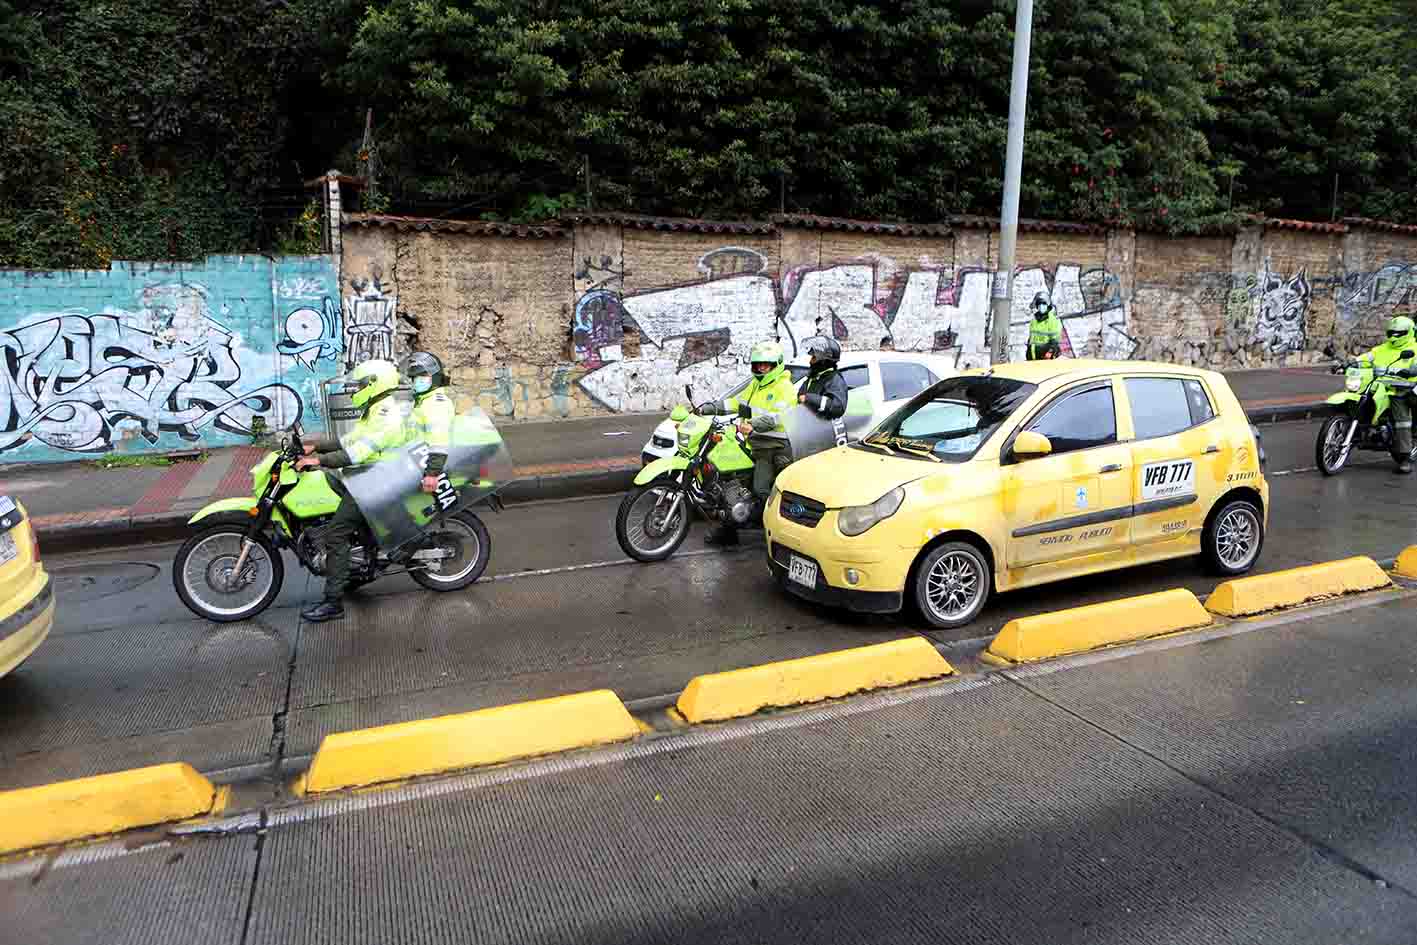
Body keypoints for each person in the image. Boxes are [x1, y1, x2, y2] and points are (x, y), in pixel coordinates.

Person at [294, 359, 407, 622]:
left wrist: (318, 461)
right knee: (329, 493)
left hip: (377, 479)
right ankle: (357, 558)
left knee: (336, 534)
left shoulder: (386, 415)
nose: (356, 388)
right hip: (366, 475)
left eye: (360, 384)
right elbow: (349, 439)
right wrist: (317, 447)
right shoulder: (374, 408)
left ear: (374, 384)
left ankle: (333, 602)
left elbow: (358, 452)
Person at [699, 340, 797, 545]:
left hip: (773, 446)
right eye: (758, 364)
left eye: (766, 364)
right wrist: (708, 408)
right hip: (753, 442)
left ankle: (768, 529)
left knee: (760, 488)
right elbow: (736, 403)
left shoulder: (784, 387)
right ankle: (729, 531)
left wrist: (754, 425)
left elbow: (780, 416)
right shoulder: (755, 384)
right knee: (730, 481)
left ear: (776, 364)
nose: (761, 368)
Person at [1360, 314, 1417, 474]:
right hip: (1390, 388)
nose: (1394, 336)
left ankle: (1407, 453)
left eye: (1399, 333)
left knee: (1405, 421)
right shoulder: (1381, 349)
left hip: (1411, 388)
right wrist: (1351, 362)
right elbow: (1366, 357)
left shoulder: (1415, 348)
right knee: (1402, 422)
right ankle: (1404, 456)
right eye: (1391, 333)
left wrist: (1411, 370)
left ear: (1410, 332)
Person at [404, 351, 456, 494]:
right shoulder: (423, 401)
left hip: (427, 466)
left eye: (423, 376)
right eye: (415, 377)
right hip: (416, 464)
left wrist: (432, 474)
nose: (417, 381)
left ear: (435, 378)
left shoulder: (436, 403)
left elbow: (438, 440)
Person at [799, 335, 848, 421]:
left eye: (814, 357)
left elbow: (837, 407)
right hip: (806, 429)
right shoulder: (812, 378)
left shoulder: (834, 379)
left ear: (823, 360)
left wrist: (809, 399)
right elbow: (799, 400)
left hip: (823, 431)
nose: (810, 361)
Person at [1027, 292, 1063, 361]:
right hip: (1034, 357)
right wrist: (1029, 354)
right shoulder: (1034, 320)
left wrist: (1050, 352)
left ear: (1048, 305)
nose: (1041, 306)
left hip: (1046, 358)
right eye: (1039, 304)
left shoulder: (1052, 320)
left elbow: (1055, 341)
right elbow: (1031, 339)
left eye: (1043, 304)